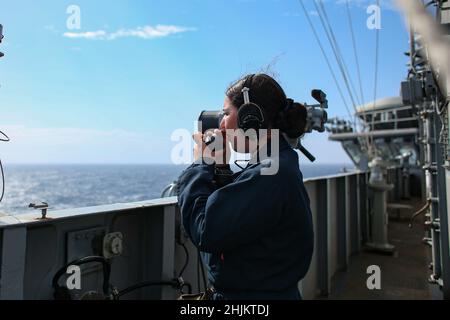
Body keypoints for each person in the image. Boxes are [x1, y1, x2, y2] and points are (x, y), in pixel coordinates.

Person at [177, 73, 314, 300]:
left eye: (226, 113)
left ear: (250, 118)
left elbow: (206, 231)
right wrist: (220, 169)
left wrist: (200, 163)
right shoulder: (276, 164)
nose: (221, 123)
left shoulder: (272, 173)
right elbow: (241, 216)